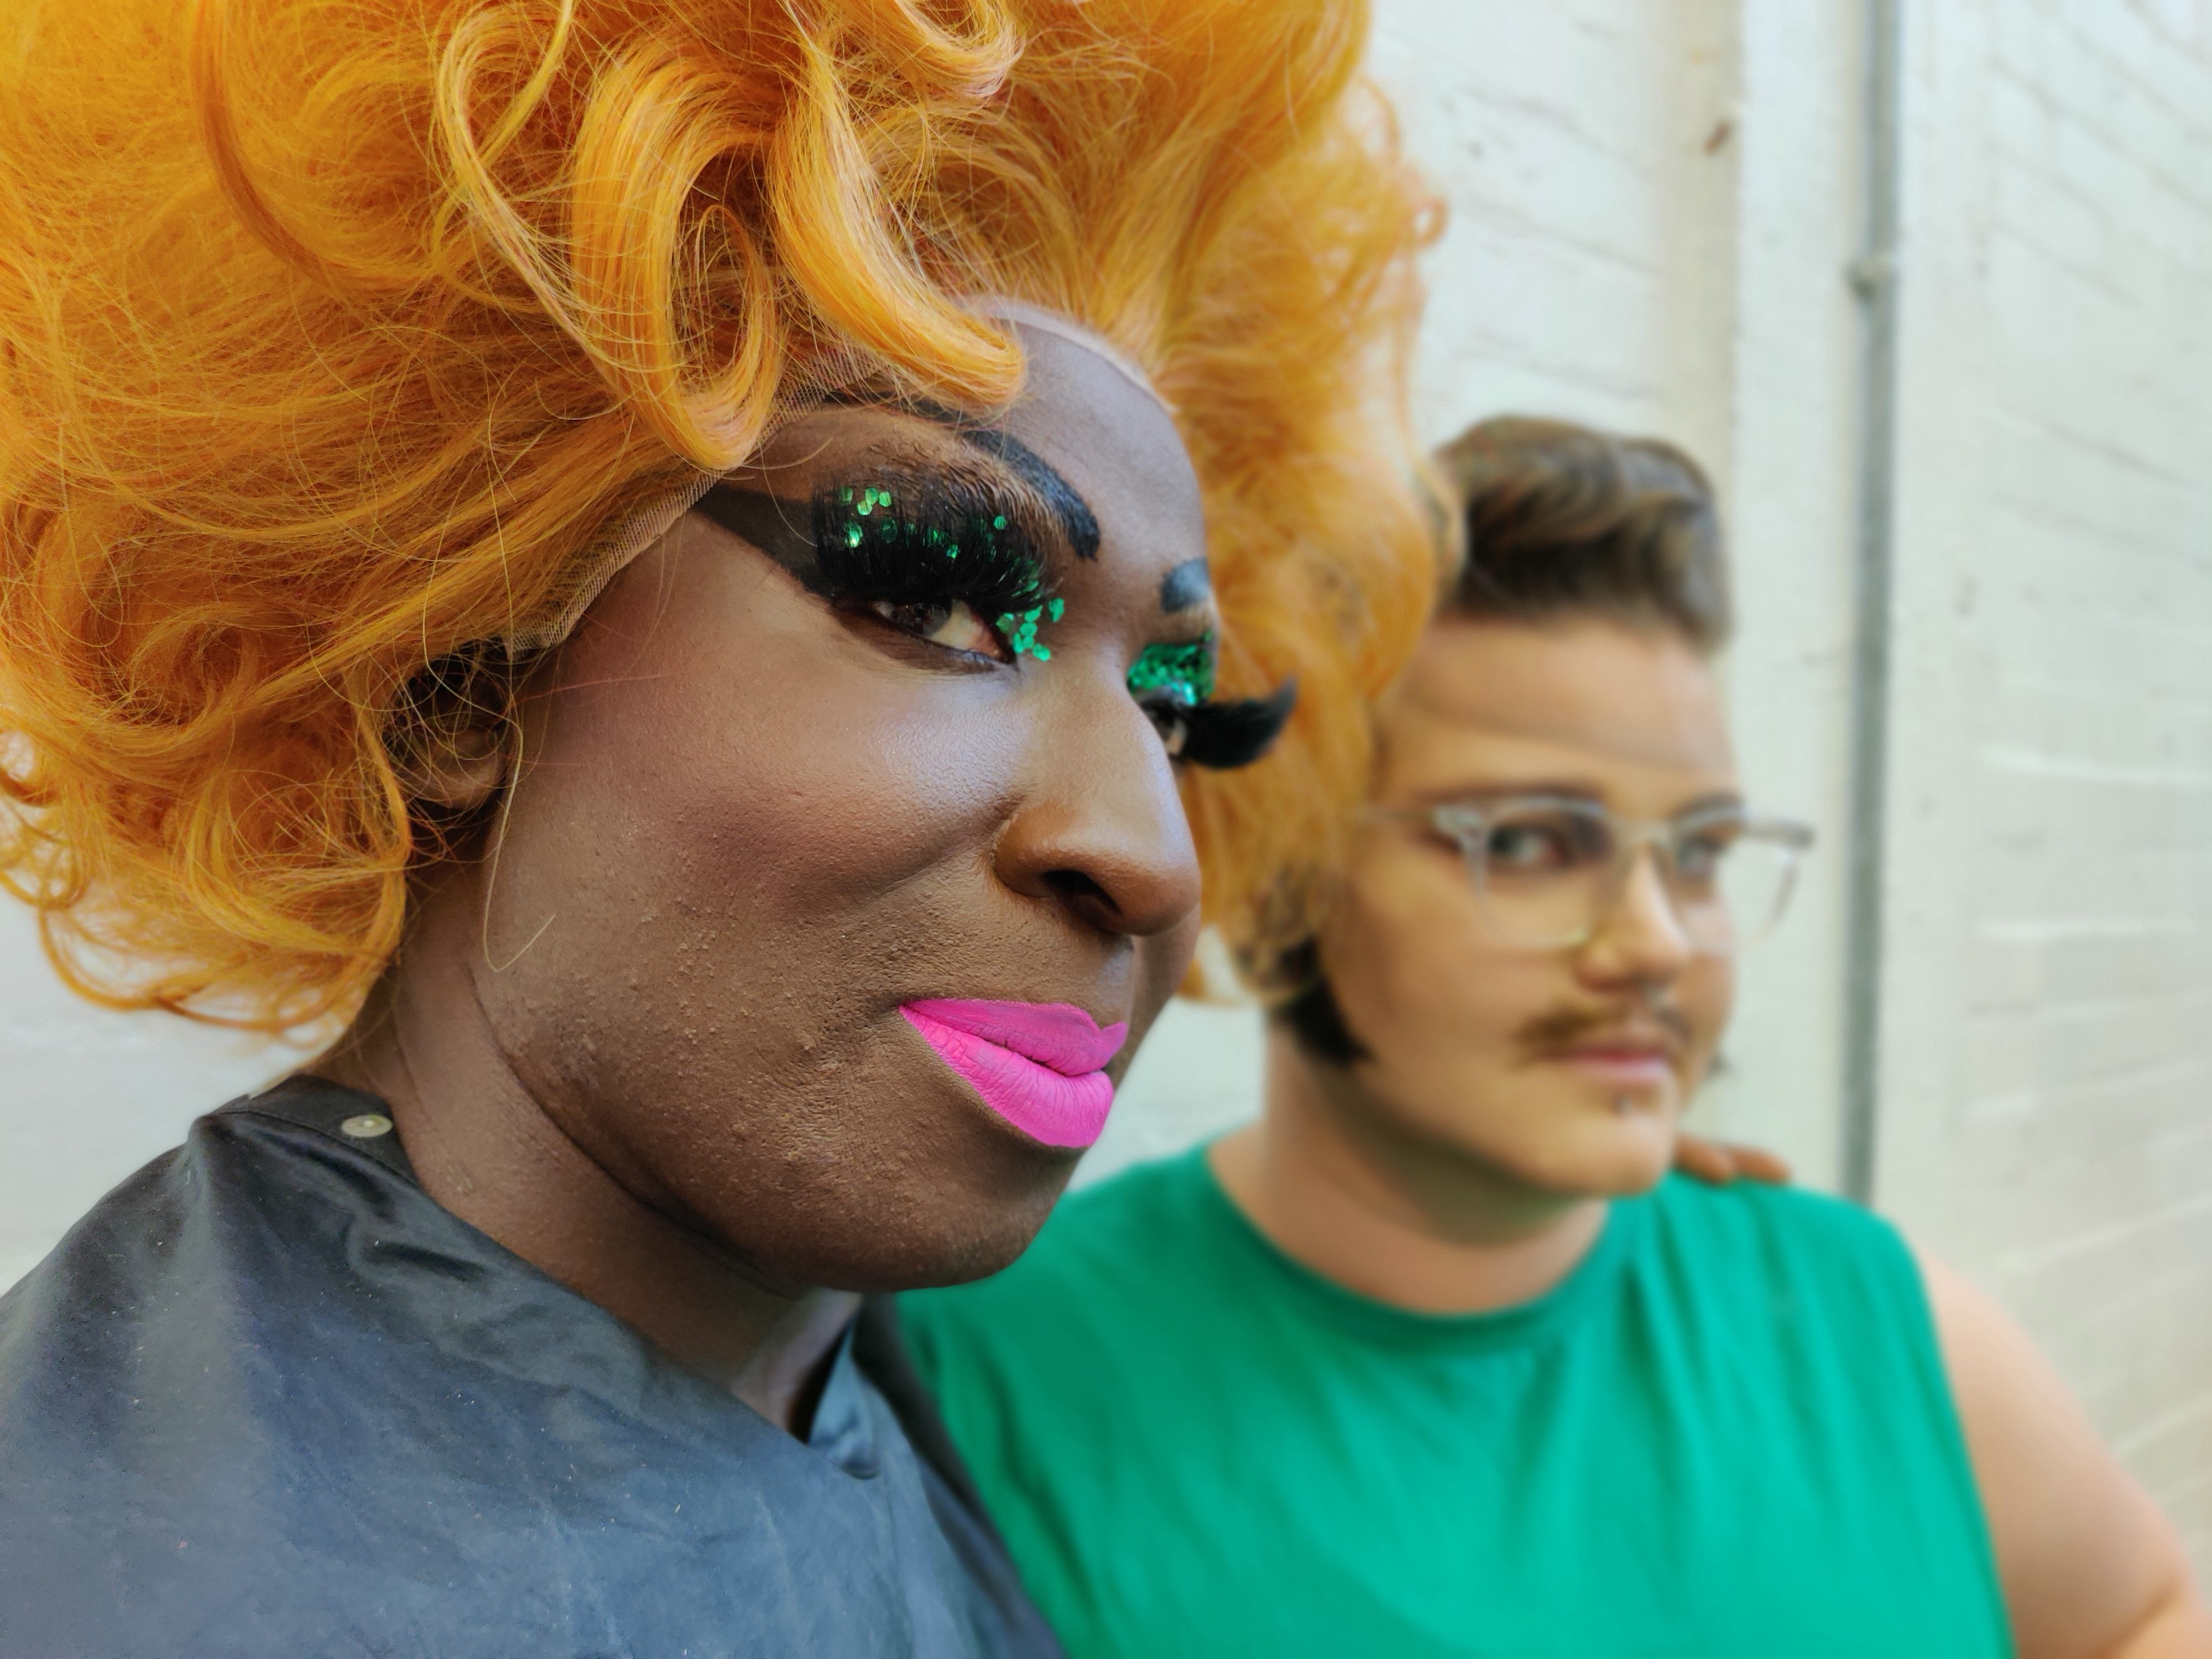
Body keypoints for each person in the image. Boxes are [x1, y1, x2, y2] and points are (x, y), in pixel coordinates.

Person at [0, 3, 1442, 1654]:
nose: (1152, 850)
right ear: (460, 662)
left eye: (1173, 705)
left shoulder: (885, 1376)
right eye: (937, 599)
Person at [902, 417, 2212, 1658]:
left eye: (1697, 854)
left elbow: (2139, 1612)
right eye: (1529, 844)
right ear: (1273, 867)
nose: (1654, 942)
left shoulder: (1881, 1327)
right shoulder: (965, 1388)